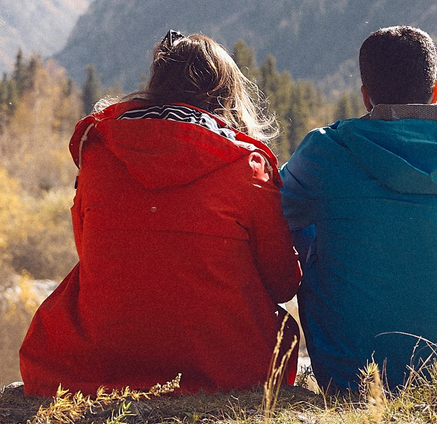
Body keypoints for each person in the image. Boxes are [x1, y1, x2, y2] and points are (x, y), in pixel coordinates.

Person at [19, 31, 302, 396]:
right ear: (227, 94)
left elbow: (89, 250)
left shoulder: (99, 151)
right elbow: (282, 282)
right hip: (225, 363)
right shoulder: (246, 165)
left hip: (98, 357)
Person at [282, 25, 437, 395]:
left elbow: (274, 210)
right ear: (436, 90)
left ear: (366, 97)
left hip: (350, 374)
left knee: (308, 223)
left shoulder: (326, 151)